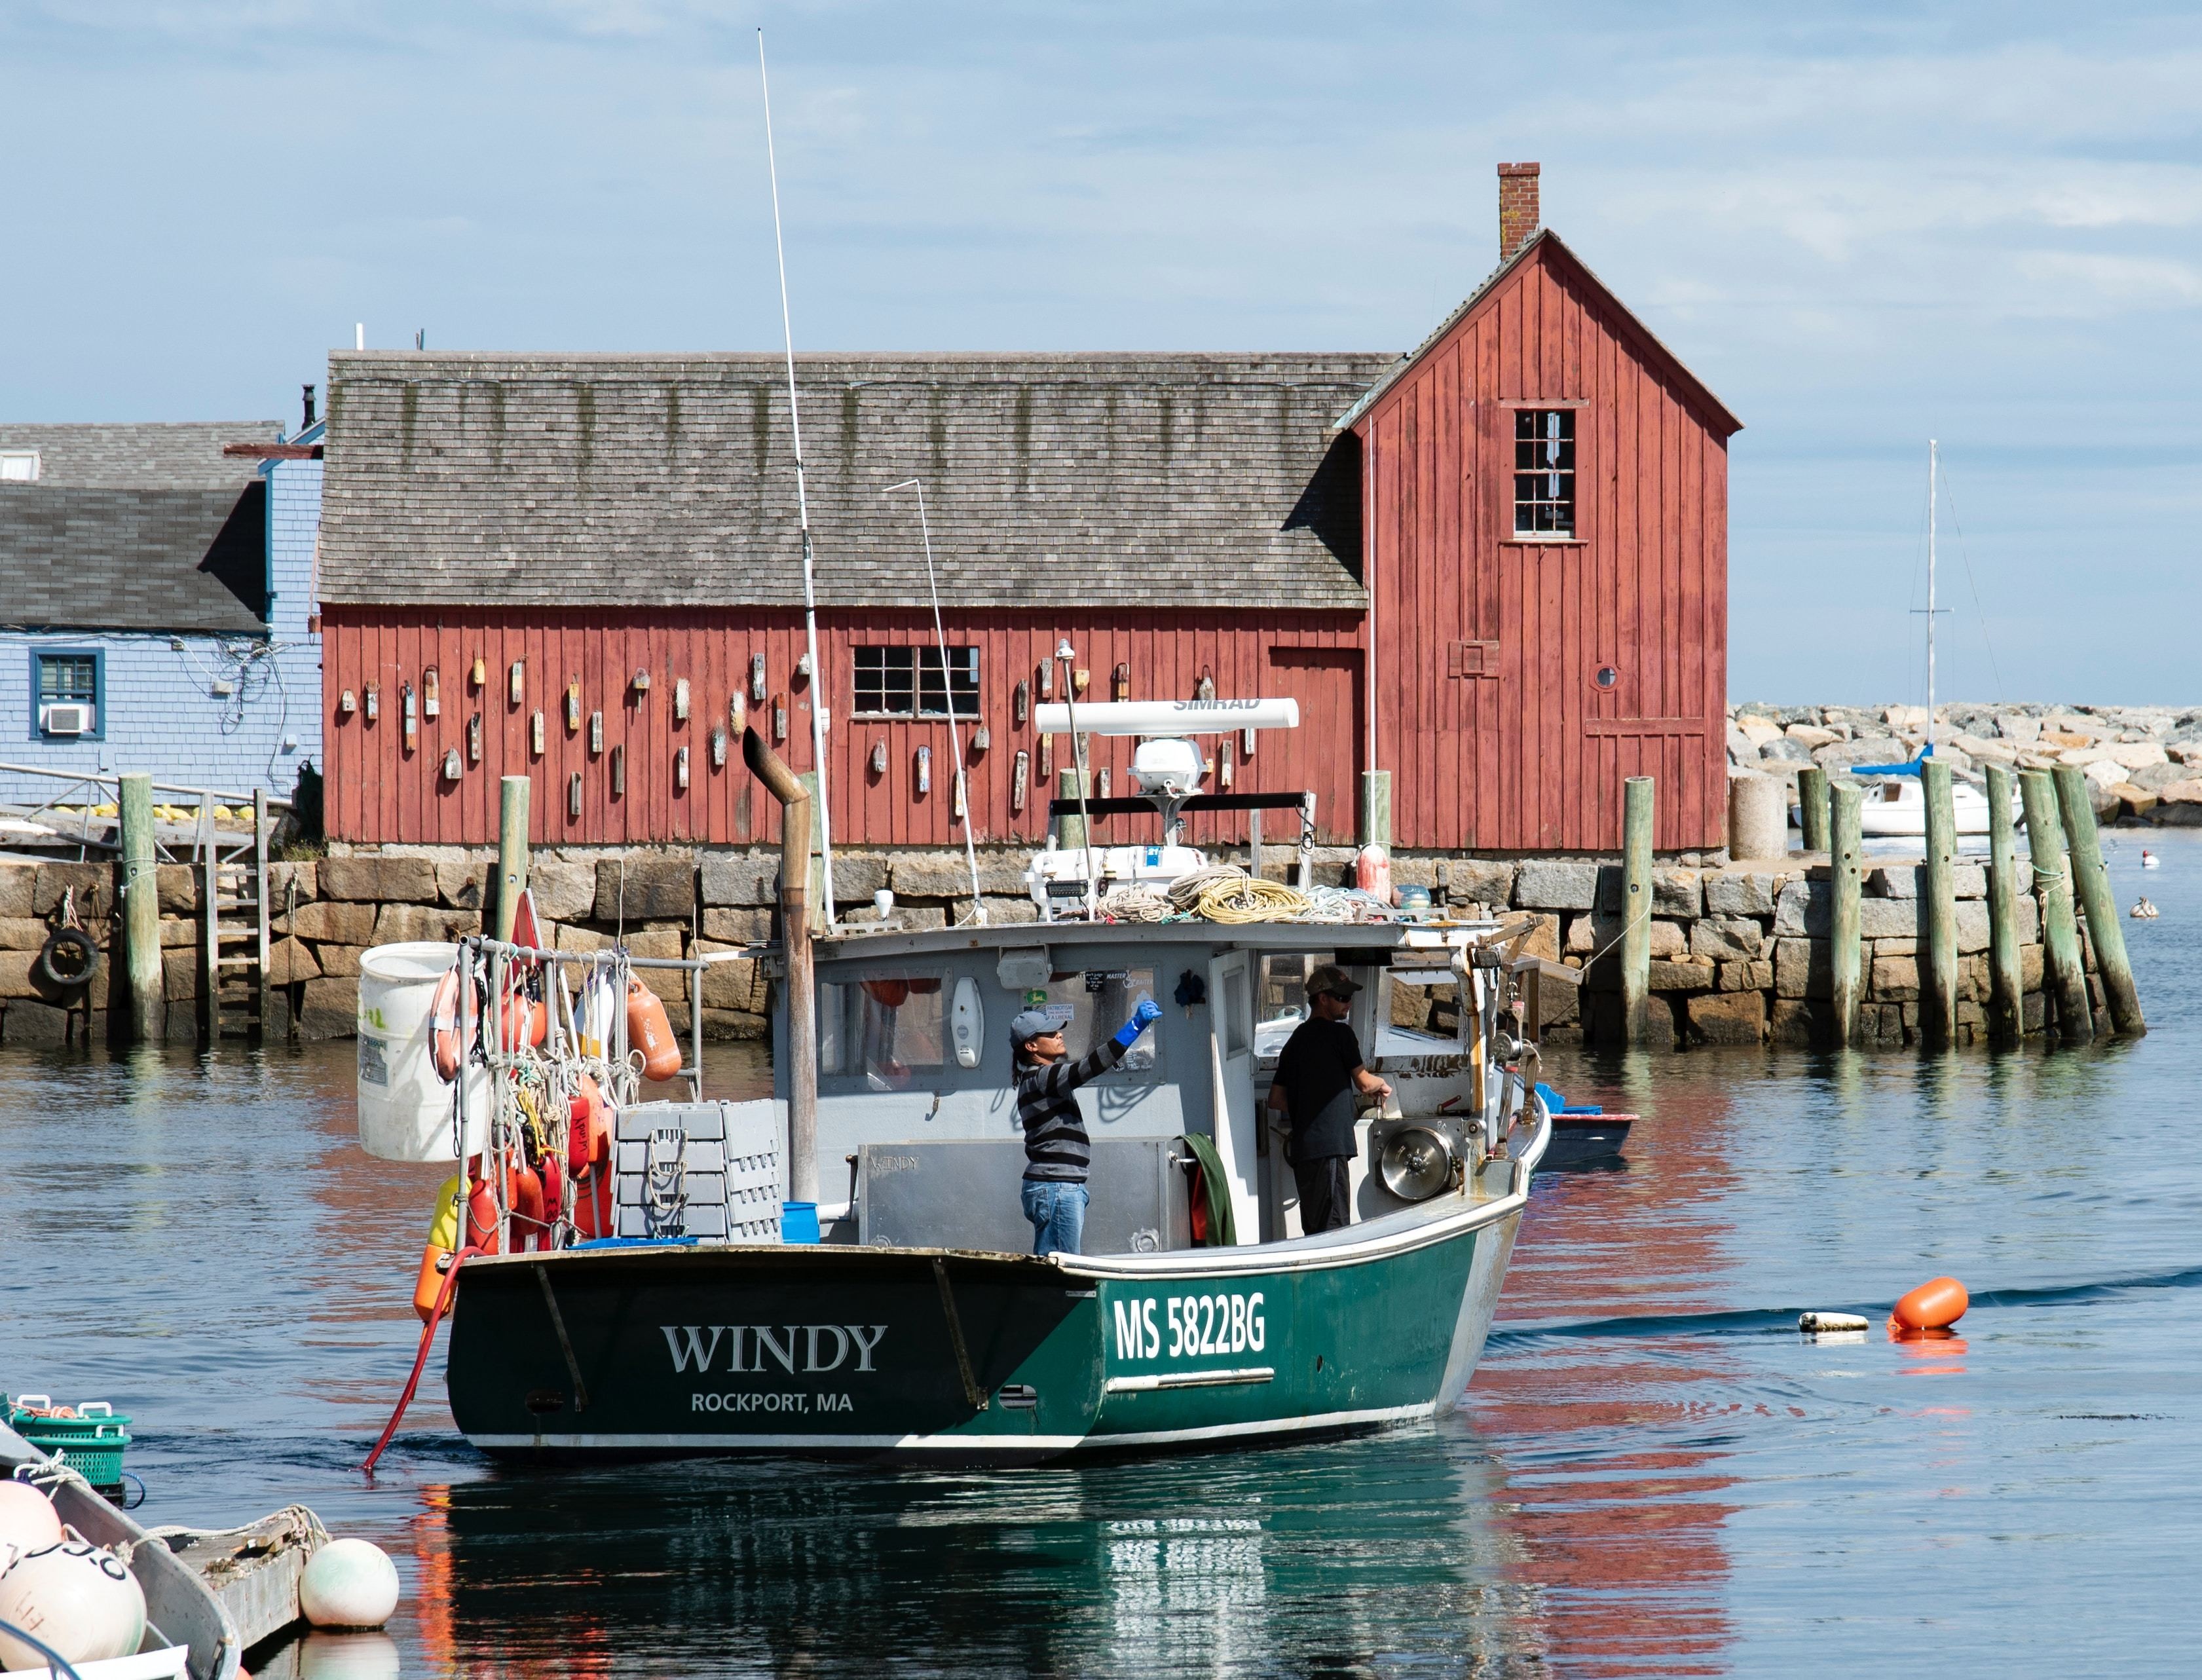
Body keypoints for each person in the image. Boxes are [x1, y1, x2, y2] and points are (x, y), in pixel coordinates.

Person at [1011, 998, 1163, 1255]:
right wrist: (1134, 1027)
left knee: (1055, 1265)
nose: (1059, 1034)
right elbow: (1089, 1066)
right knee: (1061, 1270)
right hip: (1057, 1186)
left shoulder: (1034, 1080)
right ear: (1032, 1046)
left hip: (1055, 1186)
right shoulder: (1044, 1077)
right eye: (1050, 1033)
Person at [1267, 964, 1391, 1234]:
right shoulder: (1341, 1035)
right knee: (1335, 1230)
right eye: (1342, 998)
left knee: (1313, 1228)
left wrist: (1308, 1105)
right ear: (1322, 999)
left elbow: (1276, 1099)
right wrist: (1382, 1085)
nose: (1348, 1004)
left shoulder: (1295, 1041)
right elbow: (1365, 1083)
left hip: (1305, 1151)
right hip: (1330, 1148)